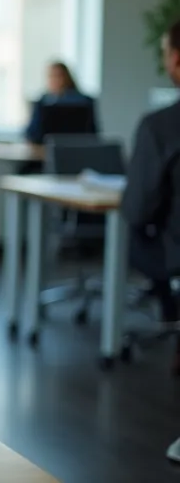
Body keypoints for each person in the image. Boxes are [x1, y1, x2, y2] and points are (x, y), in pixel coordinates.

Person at [122, 20, 180, 377]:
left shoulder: (161, 126)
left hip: (173, 252)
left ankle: (171, 314)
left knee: (137, 235)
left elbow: (138, 207)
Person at [24, 61, 97, 144]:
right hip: (44, 149)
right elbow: (31, 134)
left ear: (67, 77)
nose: (55, 80)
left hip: (77, 148)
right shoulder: (42, 102)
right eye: (51, 76)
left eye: (58, 76)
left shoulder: (84, 102)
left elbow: (92, 133)